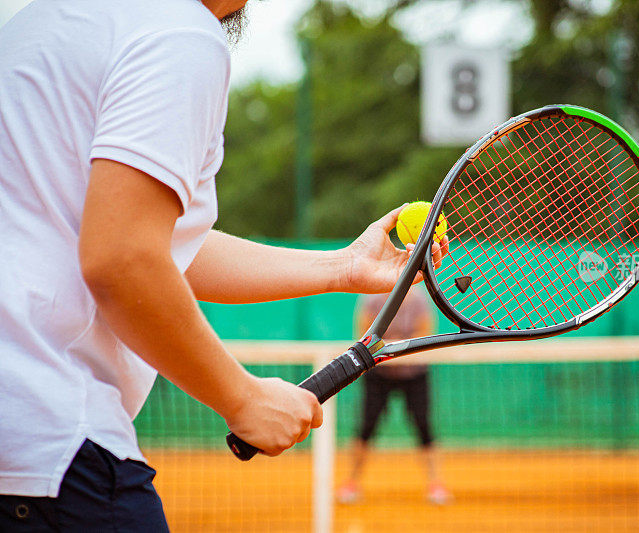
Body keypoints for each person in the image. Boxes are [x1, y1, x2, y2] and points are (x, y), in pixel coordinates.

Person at [0, 0, 445, 530]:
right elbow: (122, 257)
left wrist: (344, 267)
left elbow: (151, 244)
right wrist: (244, 398)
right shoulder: (180, 33)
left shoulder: (40, 21)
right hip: (50, 446)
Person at [336, 287, 452, 505]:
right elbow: (364, 337)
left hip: (414, 373)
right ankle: (351, 483)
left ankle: (436, 484)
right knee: (365, 428)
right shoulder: (371, 299)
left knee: (424, 428)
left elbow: (425, 333)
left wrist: (393, 346)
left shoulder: (418, 300)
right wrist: (393, 347)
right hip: (379, 375)